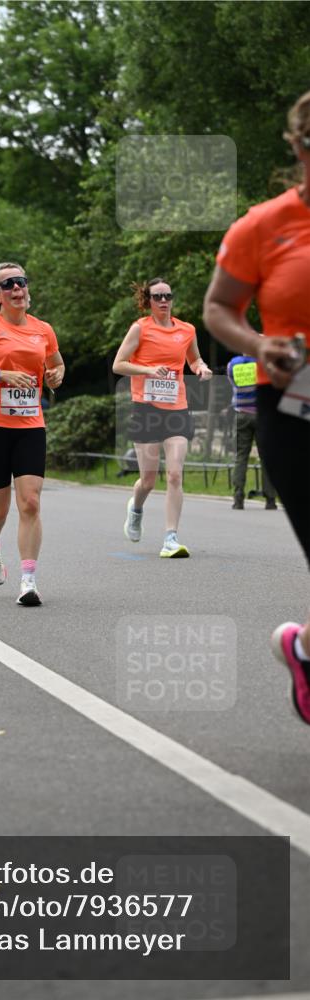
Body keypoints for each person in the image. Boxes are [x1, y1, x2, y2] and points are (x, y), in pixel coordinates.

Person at [203, 90, 310, 725]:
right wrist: (258, 344)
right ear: (299, 147)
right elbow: (219, 308)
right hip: (296, 412)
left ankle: (303, 648)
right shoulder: (263, 226)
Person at [0, 261, 64, 606]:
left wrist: (55, 375)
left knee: (31, 502)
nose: (18, 288)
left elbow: (56, 362)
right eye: (9, 284)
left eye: (22, 282)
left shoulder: (43, 330)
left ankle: (29, 581)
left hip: (30, 425)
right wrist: (1, 376)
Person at [113, 277, 212, 558]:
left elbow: (194, 360)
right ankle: (136, 508)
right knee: (148, 479)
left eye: (168, 295)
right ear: (148, 301)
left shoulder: (187, 330)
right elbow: (118, 364)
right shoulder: (139, 329)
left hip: (177, 409)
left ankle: (170, 537)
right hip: (146, 410)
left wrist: (202, 369)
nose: (164, 301)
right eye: (158, 297)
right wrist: (147, 371)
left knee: (175, 474)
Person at [226, 353, 277, 510]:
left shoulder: (233, 364)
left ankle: (238, 497)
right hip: (262, 415)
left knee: (241, 456)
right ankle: (270, 499)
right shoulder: (262, 363)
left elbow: (232, 385)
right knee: (266, 458)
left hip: (242, 413)